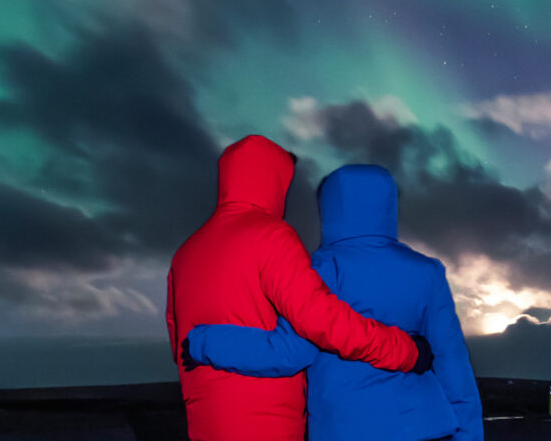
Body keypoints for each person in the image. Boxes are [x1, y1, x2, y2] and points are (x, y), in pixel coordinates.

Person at [185, 163, 482, 441]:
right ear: (388, 207)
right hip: (426, 427)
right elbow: (453, 364)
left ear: (329, 209)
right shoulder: (427, 271)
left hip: (345, 430)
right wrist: (469, 435)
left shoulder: (319, 270)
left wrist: (203, 341)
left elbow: (288, 353)